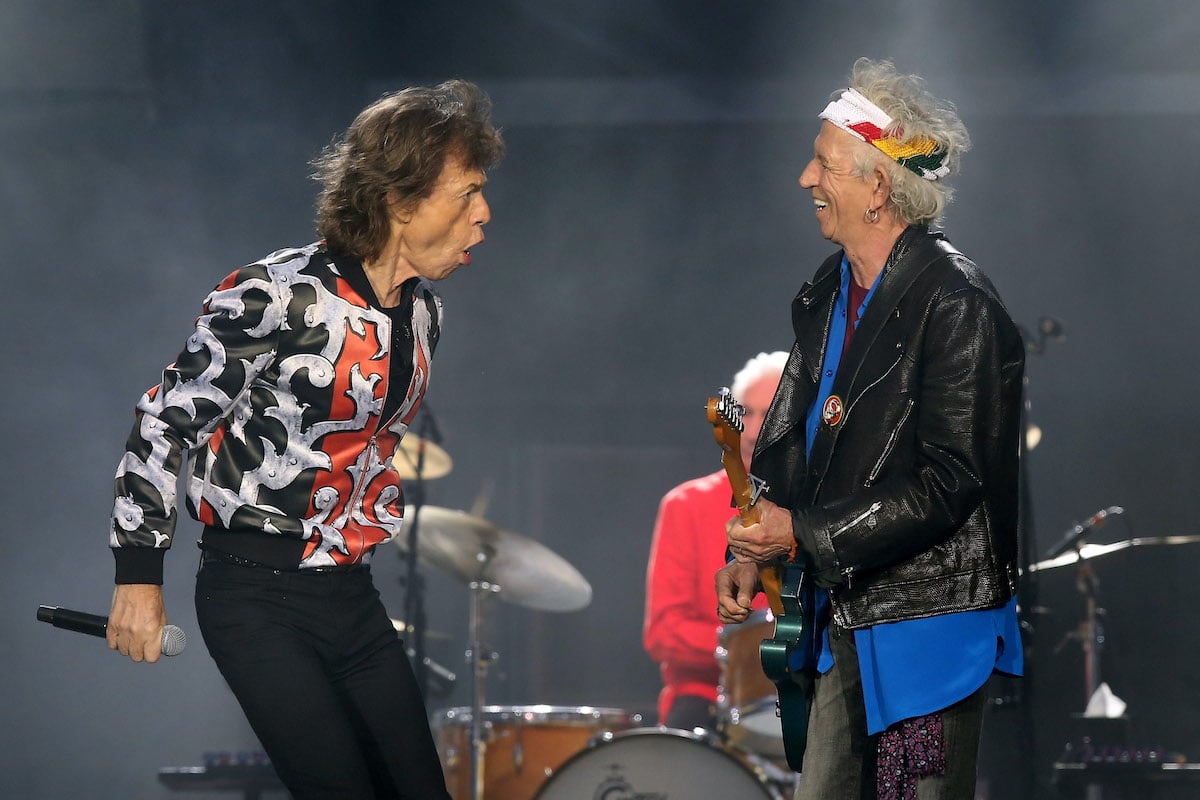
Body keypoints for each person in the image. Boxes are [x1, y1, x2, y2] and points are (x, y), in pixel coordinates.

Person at [106, 80, 504, 799]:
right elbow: (164, 422)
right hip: (255, 596)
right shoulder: (277, 293)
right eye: (468, 192)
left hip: (350, 596)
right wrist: (139, 578)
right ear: (400, 199)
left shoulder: (425, 314)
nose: (484, 214)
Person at [716, 58, 1025, 800]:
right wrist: (754, 544)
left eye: (823, 163)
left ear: (879, 187)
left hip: (928, 629)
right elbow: (797, 441)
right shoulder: (829, 291)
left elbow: (951, 479)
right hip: (844, 615)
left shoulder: (957, 303)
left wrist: (800, 534)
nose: (805, 179)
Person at [643, 351, 786, 730]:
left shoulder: (819, 512)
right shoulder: (686, 505)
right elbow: (664, 632)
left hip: (803, 696)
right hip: (706, 700)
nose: (753, 431)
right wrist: (746, 650)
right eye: (746, 414)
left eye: (770, 414)